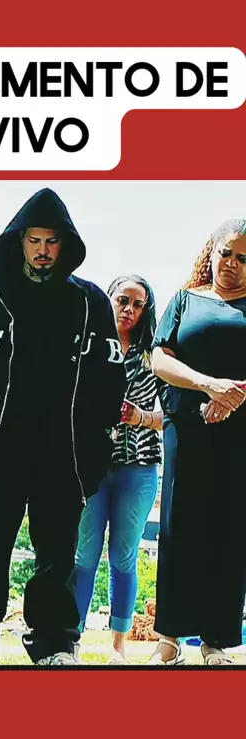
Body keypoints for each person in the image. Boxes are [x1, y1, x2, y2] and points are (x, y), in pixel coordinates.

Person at [0, 187, 126, 666]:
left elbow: (111, 377)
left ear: (65, 244)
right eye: (35, 240)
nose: (43, 250)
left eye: (52, 241)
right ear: (20, 241)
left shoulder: (89, 300)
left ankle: (55, 645)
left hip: (64, 449)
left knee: (57, 556)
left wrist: (100, 440)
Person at [149, 218, 246, 665]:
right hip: (186, 428)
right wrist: (208, 386)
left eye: (243, 258)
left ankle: (216, 642)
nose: (232, 264)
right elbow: (159, 359)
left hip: (239, 436)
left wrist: (232, 398)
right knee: (177, 527)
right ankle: (168, 638)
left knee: (229, 530)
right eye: (227, 253)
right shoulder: (186, 300)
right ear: (213, 250)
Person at [74, 275, 163, 664]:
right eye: (122, 300)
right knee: (83, 555)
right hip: (90, 466)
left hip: (138, 468)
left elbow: (173, 415)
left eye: (138, 304)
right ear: (108, 300)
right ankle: (72, 640)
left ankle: (118, 646)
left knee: (124, 556)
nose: (129, 309)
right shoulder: (87, 346)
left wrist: (140, 416)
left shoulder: (155, 357)